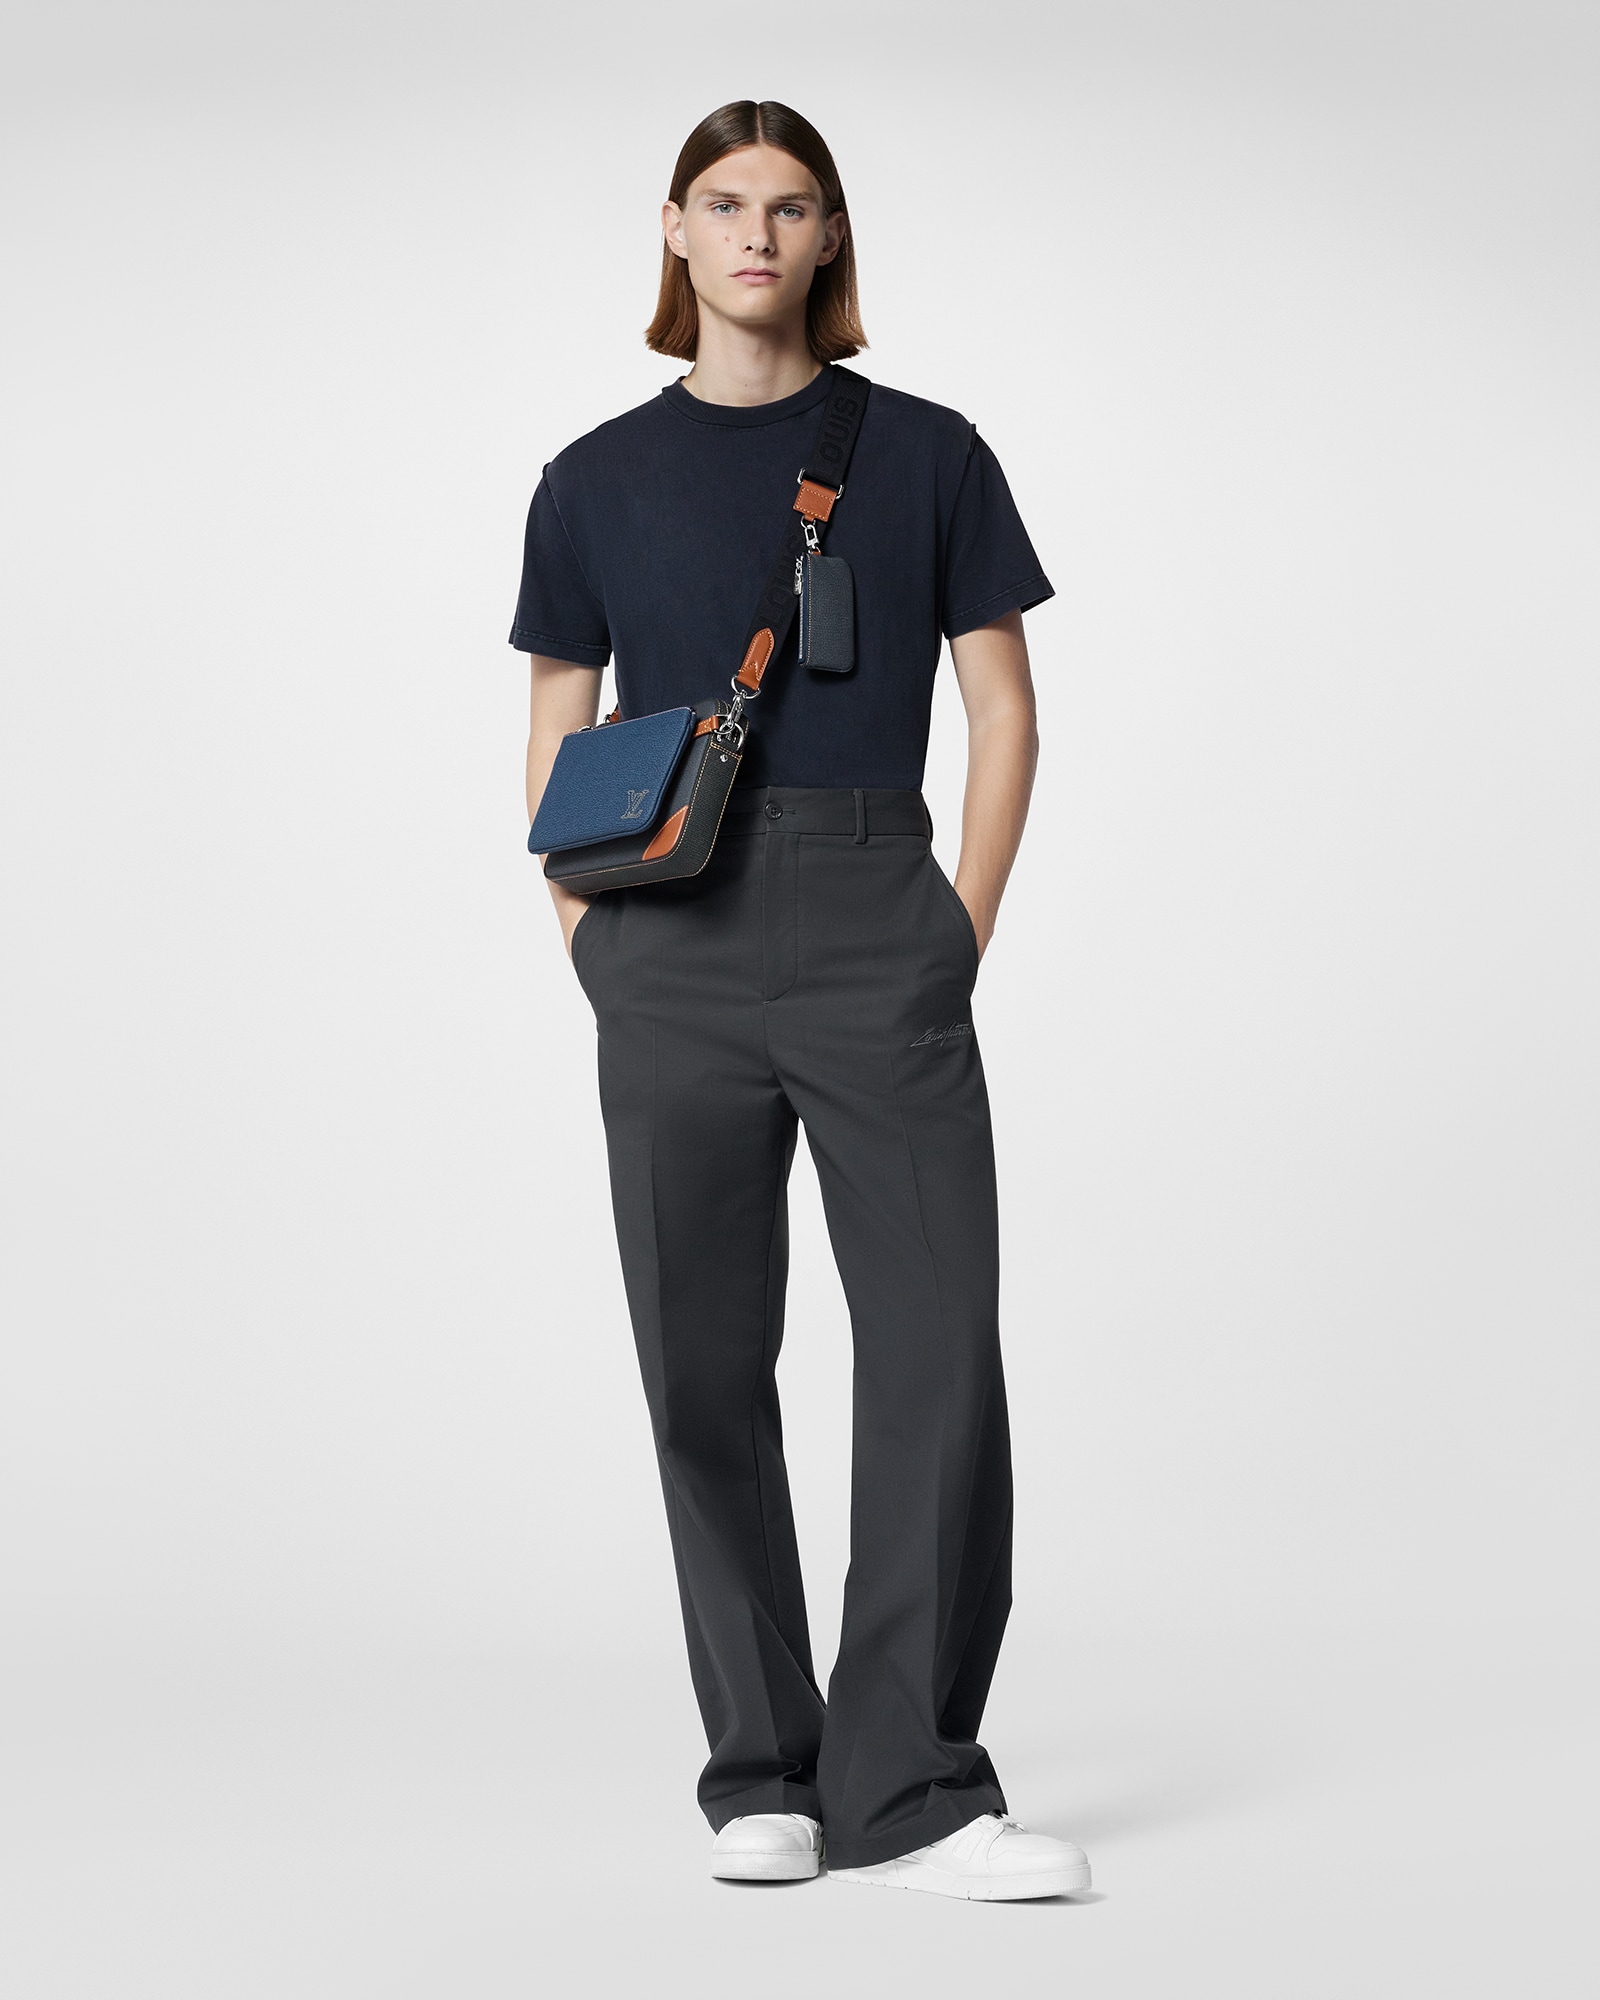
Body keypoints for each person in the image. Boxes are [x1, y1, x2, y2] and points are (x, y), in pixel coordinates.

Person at [512, 99, 1090, 1902]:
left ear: (830, 236)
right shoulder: (590, 479)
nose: (757, 232)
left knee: (935, 1346)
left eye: (791, 205)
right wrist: (588, 939)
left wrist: (953, 930)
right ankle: (761, 1770)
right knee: (700, 1355)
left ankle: (912, 1783)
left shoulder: (928, 454)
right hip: (664, 934)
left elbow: (1004, 707)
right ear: (674, 231)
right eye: (725, 202)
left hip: (873, 911)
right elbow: (557, 716)